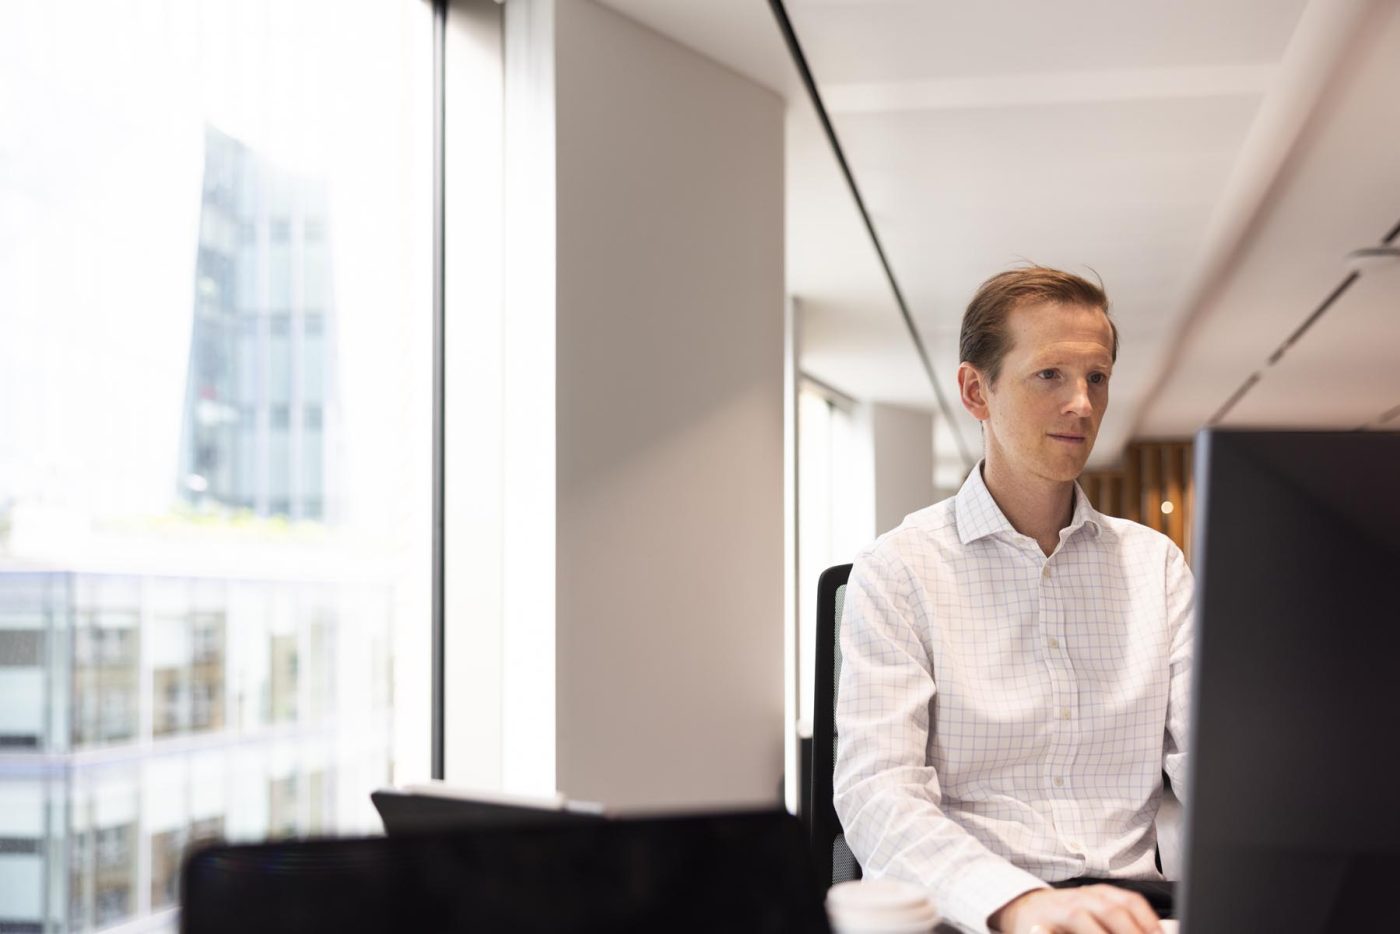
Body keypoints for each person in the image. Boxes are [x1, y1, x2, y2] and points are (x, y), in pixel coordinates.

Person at [832, 267, 1192, 934]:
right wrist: (1016, 904)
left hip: (1133, 913)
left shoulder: (1156, 568)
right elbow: (878, 793)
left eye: (1097, 377)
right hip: (976, 914)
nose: (1082, 403)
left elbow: (1216, 764)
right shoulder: (899, 571)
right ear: (976, 390)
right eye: (1050, 375)